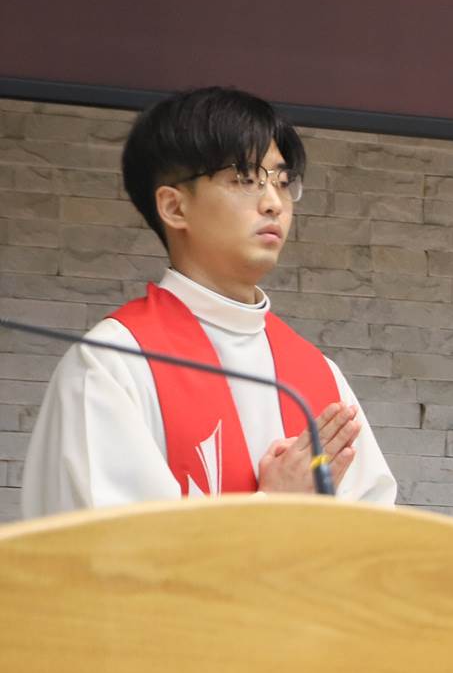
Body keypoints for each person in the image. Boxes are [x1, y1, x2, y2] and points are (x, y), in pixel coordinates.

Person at [21, 86, 393, 513]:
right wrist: (274, 508)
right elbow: (105, 547)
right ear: (174, 208)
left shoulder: (319, 377)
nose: (274, 203)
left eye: (282, 181)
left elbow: (378, 536)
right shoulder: (113, 365)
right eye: (245, 179)